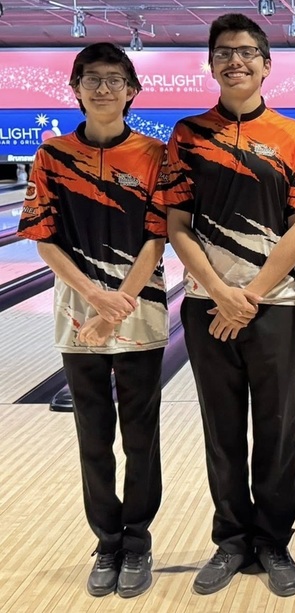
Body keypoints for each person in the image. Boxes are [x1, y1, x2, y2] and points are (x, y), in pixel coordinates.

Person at [156, 13, 295, 598]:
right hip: (206, 304)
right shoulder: (188, 134)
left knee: (276, 428)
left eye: (247, 52)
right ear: (211, 63)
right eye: (224, 52)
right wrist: (220, 292)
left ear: (267, 64)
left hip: (275, 304)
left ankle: (273, 541)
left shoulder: (294, 137)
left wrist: (248, 295)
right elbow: (176, 224)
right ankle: (231, 540)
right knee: (222, 428)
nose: (235, 61)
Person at [17, 42, 168, 598]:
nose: (103, 88)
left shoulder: (154, 155)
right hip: (78, 312)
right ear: (76, 89)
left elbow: (158, 236)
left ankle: (138, 539)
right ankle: (106, 541)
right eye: (92, 79)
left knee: (141, 433)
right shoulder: (52, 155)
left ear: (132, 90)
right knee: (92, 435)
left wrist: (120, 300)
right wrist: (94, 299)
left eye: (114, 79)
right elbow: (41, 238)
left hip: (142, 309)